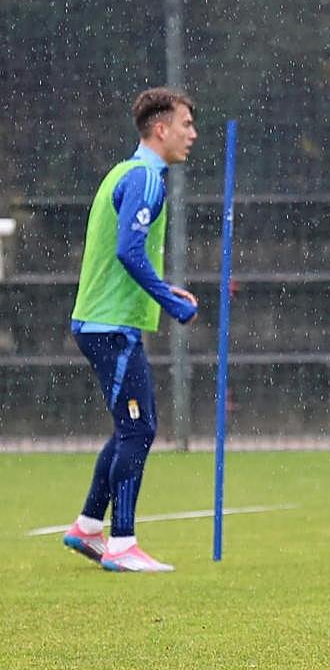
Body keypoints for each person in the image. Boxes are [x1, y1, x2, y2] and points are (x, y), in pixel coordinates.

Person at [61, 87, 199, 573]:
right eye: (185, 124)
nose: (192, 134)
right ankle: (122, 544)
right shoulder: (145, 178)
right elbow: (128, 251)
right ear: (160, 129)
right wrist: (168, 301)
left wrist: (165, 290)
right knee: (140, 430)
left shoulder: (126, 172)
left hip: (103, 323)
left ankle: (87, 527)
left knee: (128, 428)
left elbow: (128, 254)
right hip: (110, 326)